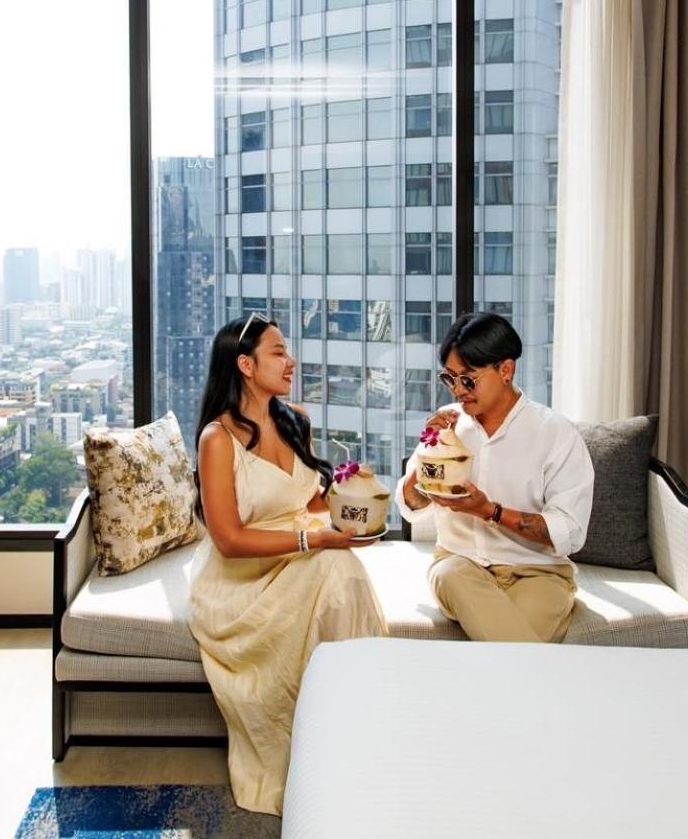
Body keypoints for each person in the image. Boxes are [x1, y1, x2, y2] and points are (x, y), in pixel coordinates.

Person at [189, 312, 387, 816]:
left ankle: (356, 731)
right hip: (243, 580)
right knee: (333, 567)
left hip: (298, 555)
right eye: (278, 352)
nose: (291, 361)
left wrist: (351, 491)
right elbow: (228, 540)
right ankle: (341, 743)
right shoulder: (218, 439)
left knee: (339, 568)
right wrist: (313, 540)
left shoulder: (294, 418)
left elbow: (311, 500)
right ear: (245, 365)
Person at [395, 311, 594, 643]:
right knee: (452, 574)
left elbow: (570, 532)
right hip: (459, 566)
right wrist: (431, 453)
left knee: (511, 647)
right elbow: (410, 506)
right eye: (450, 378)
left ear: (506, 370)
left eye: (468, 379)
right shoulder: (448, 424)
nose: (457, 391)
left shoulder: (555, 433)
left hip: (538, 574)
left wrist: (489, 511)